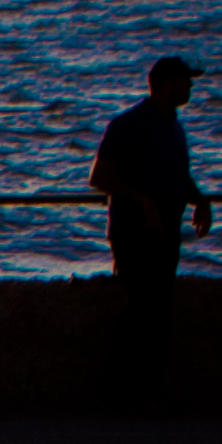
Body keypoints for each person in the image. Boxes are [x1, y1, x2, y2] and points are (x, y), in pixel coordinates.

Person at [89, 57, 212, 399]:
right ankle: (117, 389)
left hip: (166, 232)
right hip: (132, 233)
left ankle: (145, 390)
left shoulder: (173, 124)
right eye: (186, 81)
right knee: (143, 306)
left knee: (159, 310)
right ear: (166, 82)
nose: (191, 87)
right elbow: (100, 176)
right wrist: (142, 199)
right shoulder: (128, 124)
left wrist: (199, 199)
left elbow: (175, 173)